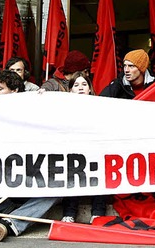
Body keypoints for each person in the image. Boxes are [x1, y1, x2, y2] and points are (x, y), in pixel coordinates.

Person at [0, 70, 59, 242]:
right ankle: (14, 218)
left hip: (32, 175)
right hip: (5, 177)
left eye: (0, 89)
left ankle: (11, 223)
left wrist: (44, 102)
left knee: (59, 188)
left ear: (15, 91)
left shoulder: (32, 106)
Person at [60, 72, 107, 223]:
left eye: (84, 84)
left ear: (90, 89)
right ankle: (69, 213)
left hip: (94, 150)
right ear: (70, 90)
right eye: (76, 85)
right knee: (72, 172)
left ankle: (98, 212)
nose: (80, 88)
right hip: (73, 152)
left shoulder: (101, 107)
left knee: (100, 169)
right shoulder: (62, 107)